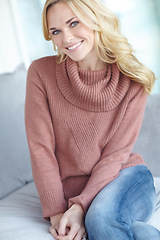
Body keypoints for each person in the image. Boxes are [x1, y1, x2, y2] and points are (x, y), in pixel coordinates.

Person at [25, 0, 160, 239]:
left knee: (99, 218)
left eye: (74, 23)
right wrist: (58, 213)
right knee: (134, 231)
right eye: (56, 31)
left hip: (127, 178)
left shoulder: (133, 81)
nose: (66, 39)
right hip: (76, 191)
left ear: (94, 19)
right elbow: (41, 149)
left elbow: (115, 155)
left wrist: (81, 207)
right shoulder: (40, 73)